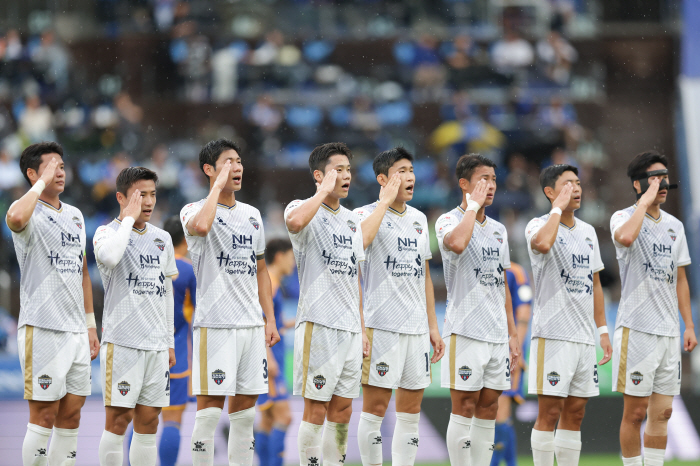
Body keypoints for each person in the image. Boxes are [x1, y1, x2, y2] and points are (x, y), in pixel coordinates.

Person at [180, 138, 280, 466]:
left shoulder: (252, 215)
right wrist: (217, 187)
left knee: (244, 414)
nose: (237, 167)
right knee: (209, 411)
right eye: (228, 162)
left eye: (239, 161)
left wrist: (270, 319)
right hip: (216, 324)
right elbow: (201, 226)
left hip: (251, 326)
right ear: (209, 169)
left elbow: (261, 271)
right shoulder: (193, 210)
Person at [6, 142, 99, 466]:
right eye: (51, 166)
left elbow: (83, 273)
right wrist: (40, 184)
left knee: (71, 415)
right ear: (33, 173)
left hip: (76, 331)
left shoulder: (75, 215)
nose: (60, 171)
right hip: (42, 328)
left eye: (61, 166)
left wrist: (90, 325)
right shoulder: (25, 209)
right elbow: (15, 218)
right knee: (43, 415)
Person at [353, 147, 445, 466]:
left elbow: (425, 278)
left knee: (410, 414)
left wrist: (433, 327)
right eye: (402, 171)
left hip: (417, 330)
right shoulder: (363, 215)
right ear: (383, 178)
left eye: (412, 170)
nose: (410, 177)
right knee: (376, 410)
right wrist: (383, 203)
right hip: (380, 327)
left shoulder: (420, 219)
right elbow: (360, 243)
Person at [284, 142, 368, 466]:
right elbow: (293, 223)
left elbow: (354, 277)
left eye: (348, 170)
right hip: (318, 323)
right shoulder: (302, 207)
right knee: (316, 408)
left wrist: (361, 328)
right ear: (319, 175)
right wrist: (322, 192)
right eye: (338, 170)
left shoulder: (352, 220)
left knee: (343, 410)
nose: (346, 176)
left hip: (349, 328)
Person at [611, 151, 697, 466]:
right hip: (637, 330)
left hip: (668, 332)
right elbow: (626, 237)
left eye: (665, 176)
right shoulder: (622, 217)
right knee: (635, 413)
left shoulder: (675, 226)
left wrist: (688, 325)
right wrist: (644, 203)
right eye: (654, 177)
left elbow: (681, 280)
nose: (663, 183)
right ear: (638, 184)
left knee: (663, 412)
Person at [525, 164, 613, 466]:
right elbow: (544, 244)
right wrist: (556, 210)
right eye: (567, 184)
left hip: (583, 338)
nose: (575, 189)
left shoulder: (588, 232)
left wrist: (602, 330)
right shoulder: (537, 225)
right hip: (552, 335)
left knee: (575, 413)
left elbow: (595, 283)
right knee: (549, 413)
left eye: (577, 183)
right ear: (550, 192)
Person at [435, 154, 520, 466]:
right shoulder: (447, 220)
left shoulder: (499, 230)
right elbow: (457, 244)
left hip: (497, 333)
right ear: (464, 184)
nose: (491, 185)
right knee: (465, 406)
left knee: (489, 408)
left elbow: (503, 283)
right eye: (484, 179)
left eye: (494, 179)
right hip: (464, 330)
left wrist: (512, 333)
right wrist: (472, 207)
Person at [93, 167, 178, 466]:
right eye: (141, 195)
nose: (149, 201)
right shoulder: (105, 233)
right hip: (123, 344)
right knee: (118, 421)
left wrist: (169, 342)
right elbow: (112, 257)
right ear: (121, 197)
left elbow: (166, 293)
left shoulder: (163, 238)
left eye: (153, 194)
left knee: (149, 422)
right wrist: (128, 219)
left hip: (156, 346)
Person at [126, 215, 198, 466]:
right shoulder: (188, 270)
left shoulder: (151, 263)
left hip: (144, 346)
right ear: (185, 240)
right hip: (176, 351)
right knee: (172, 419)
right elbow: (197, 314)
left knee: (139, 418)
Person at [254, 238, 296, 466]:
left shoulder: (273, 282)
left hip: (272, 356)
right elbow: (259, 322)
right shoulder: (269, 282)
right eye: (291, 258)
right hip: (269, 360)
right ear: (279, 256)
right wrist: (268, 359)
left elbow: (272, 322)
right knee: (284, 416)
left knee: (268, 420)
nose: (294, 264)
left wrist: (292, 323)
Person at [491, 262, 533, 466]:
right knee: (488, 413)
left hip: (508, 348)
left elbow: (524, 311)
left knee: (501, 410)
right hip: (483, 345)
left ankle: (499, 462)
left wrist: (517, 348)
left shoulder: (516, 271)